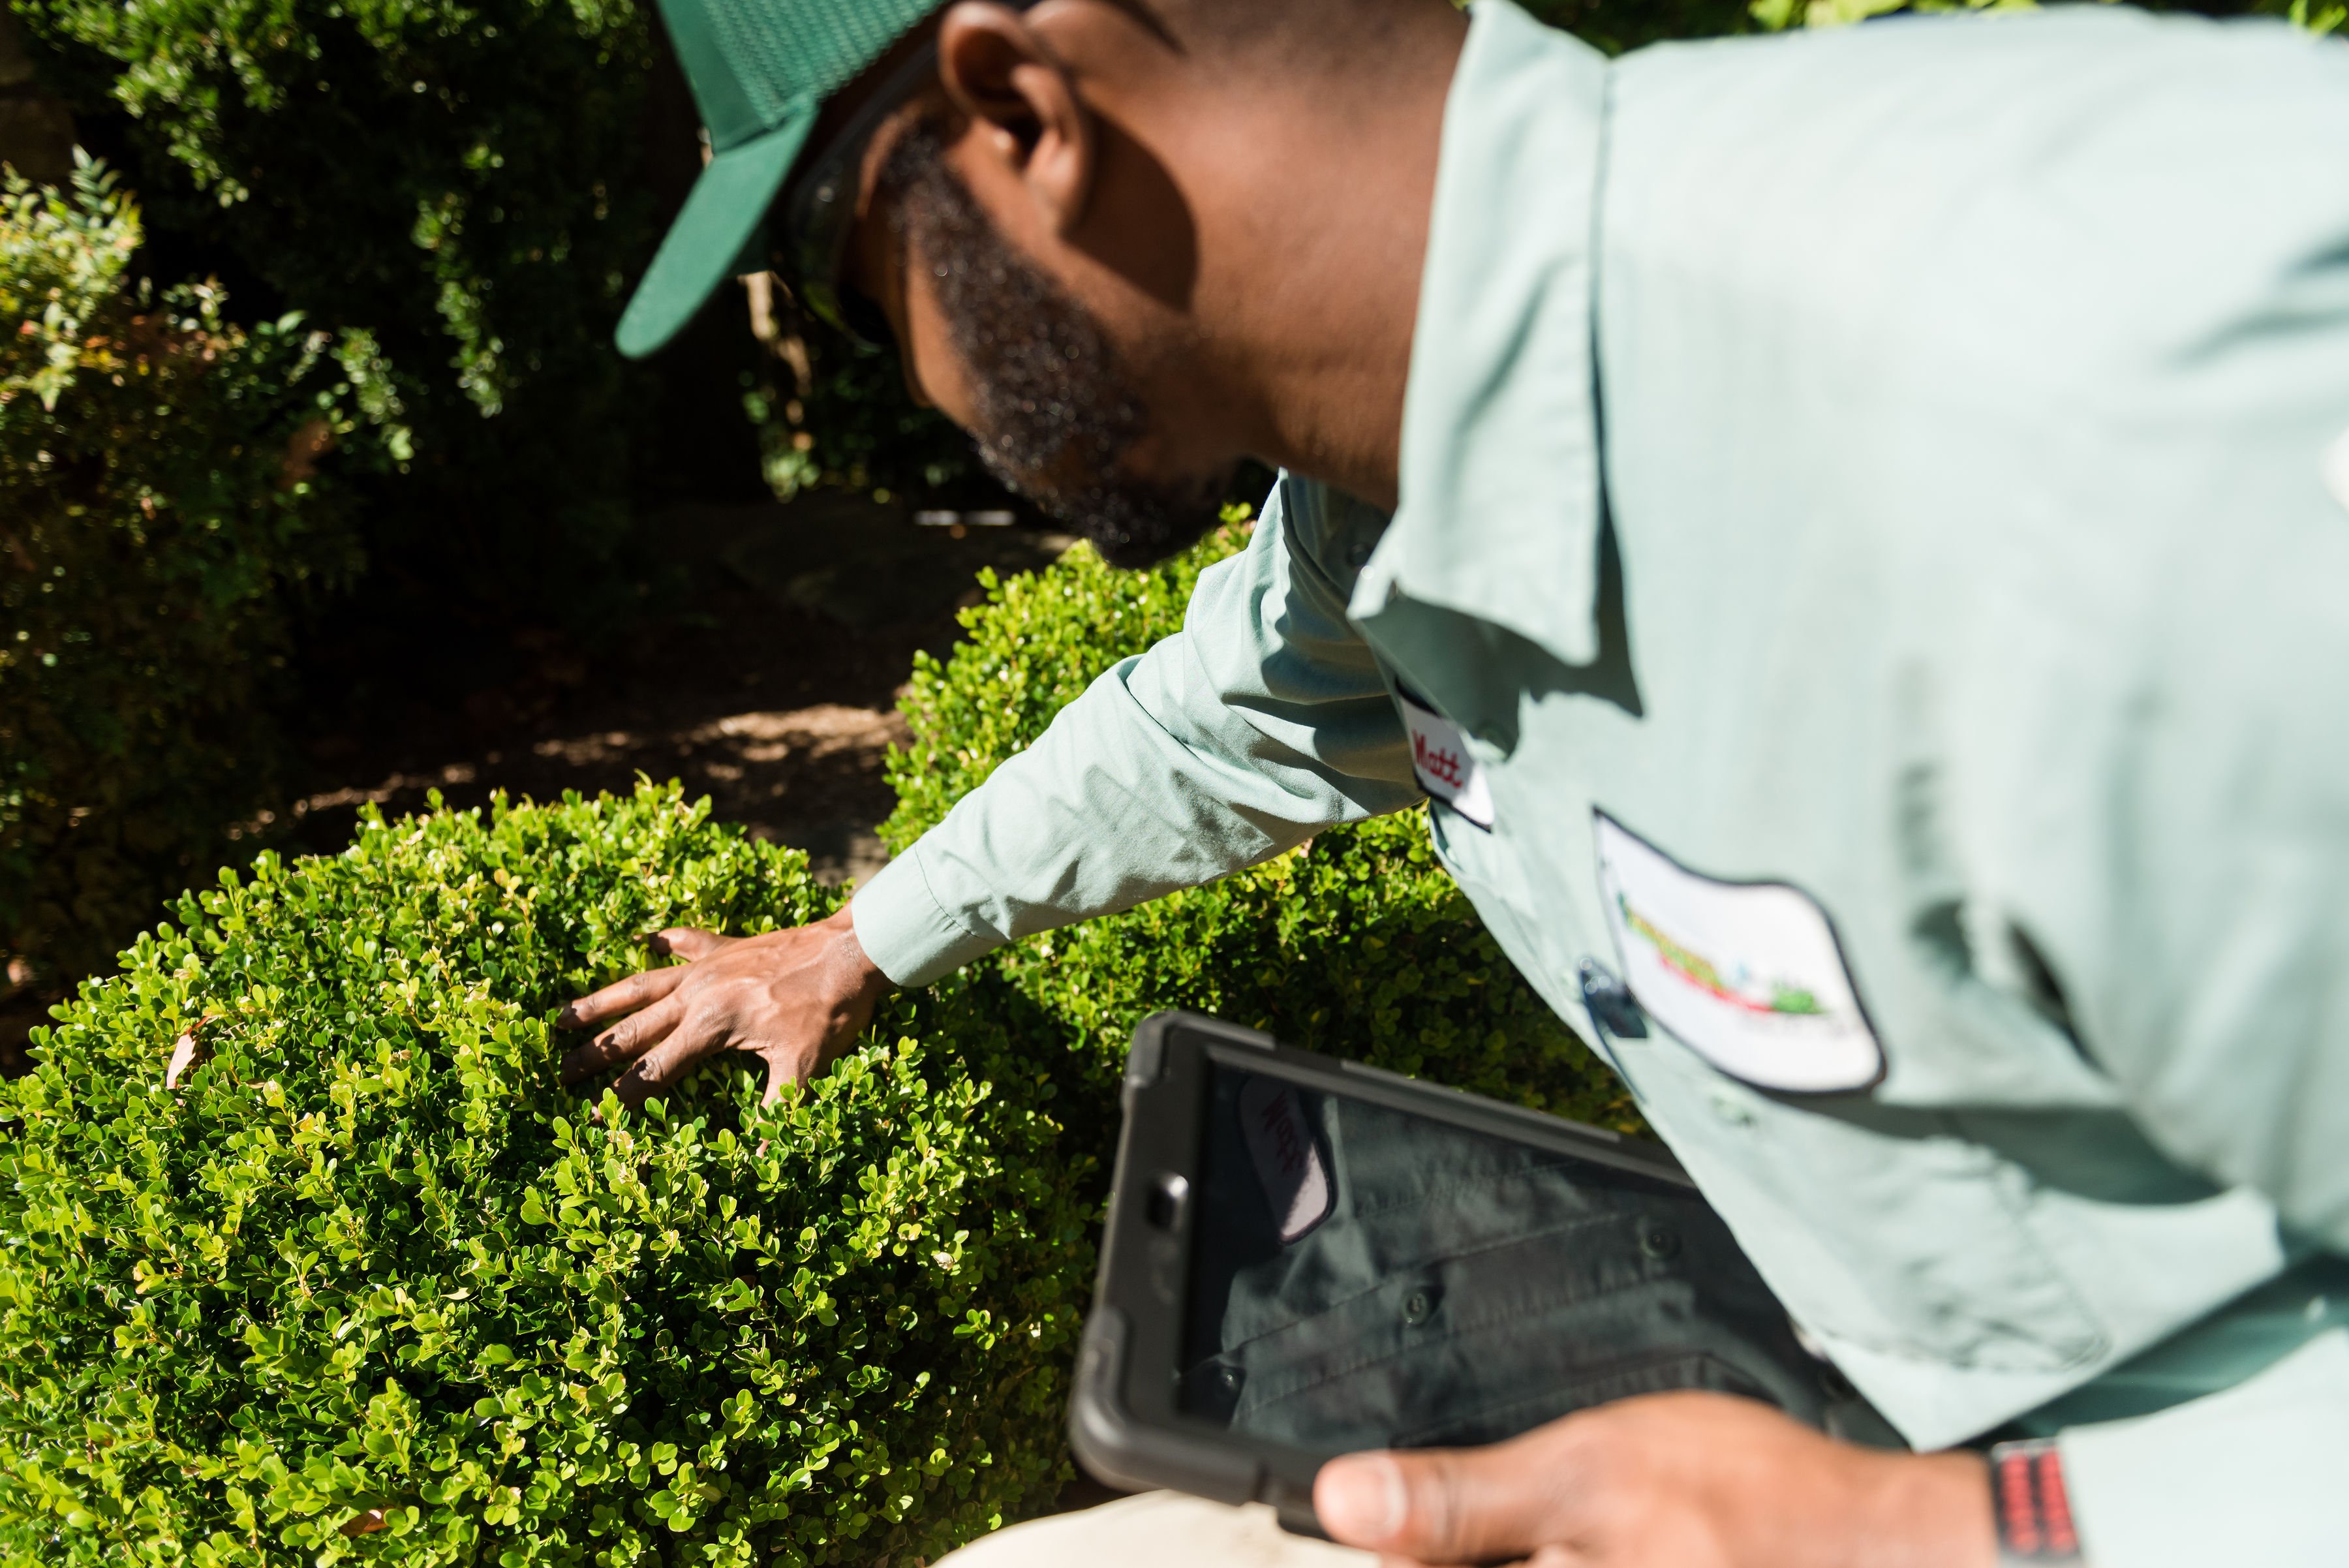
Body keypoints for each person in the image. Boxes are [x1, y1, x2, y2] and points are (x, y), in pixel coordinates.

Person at [559, 0, 2349, 1561]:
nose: (930, 387)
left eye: (872, 297)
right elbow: (1215, 717)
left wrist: (1942, 1539)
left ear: (1025, 111)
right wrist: (855, 939)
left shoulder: (2103, 401)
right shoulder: (1389, 476)